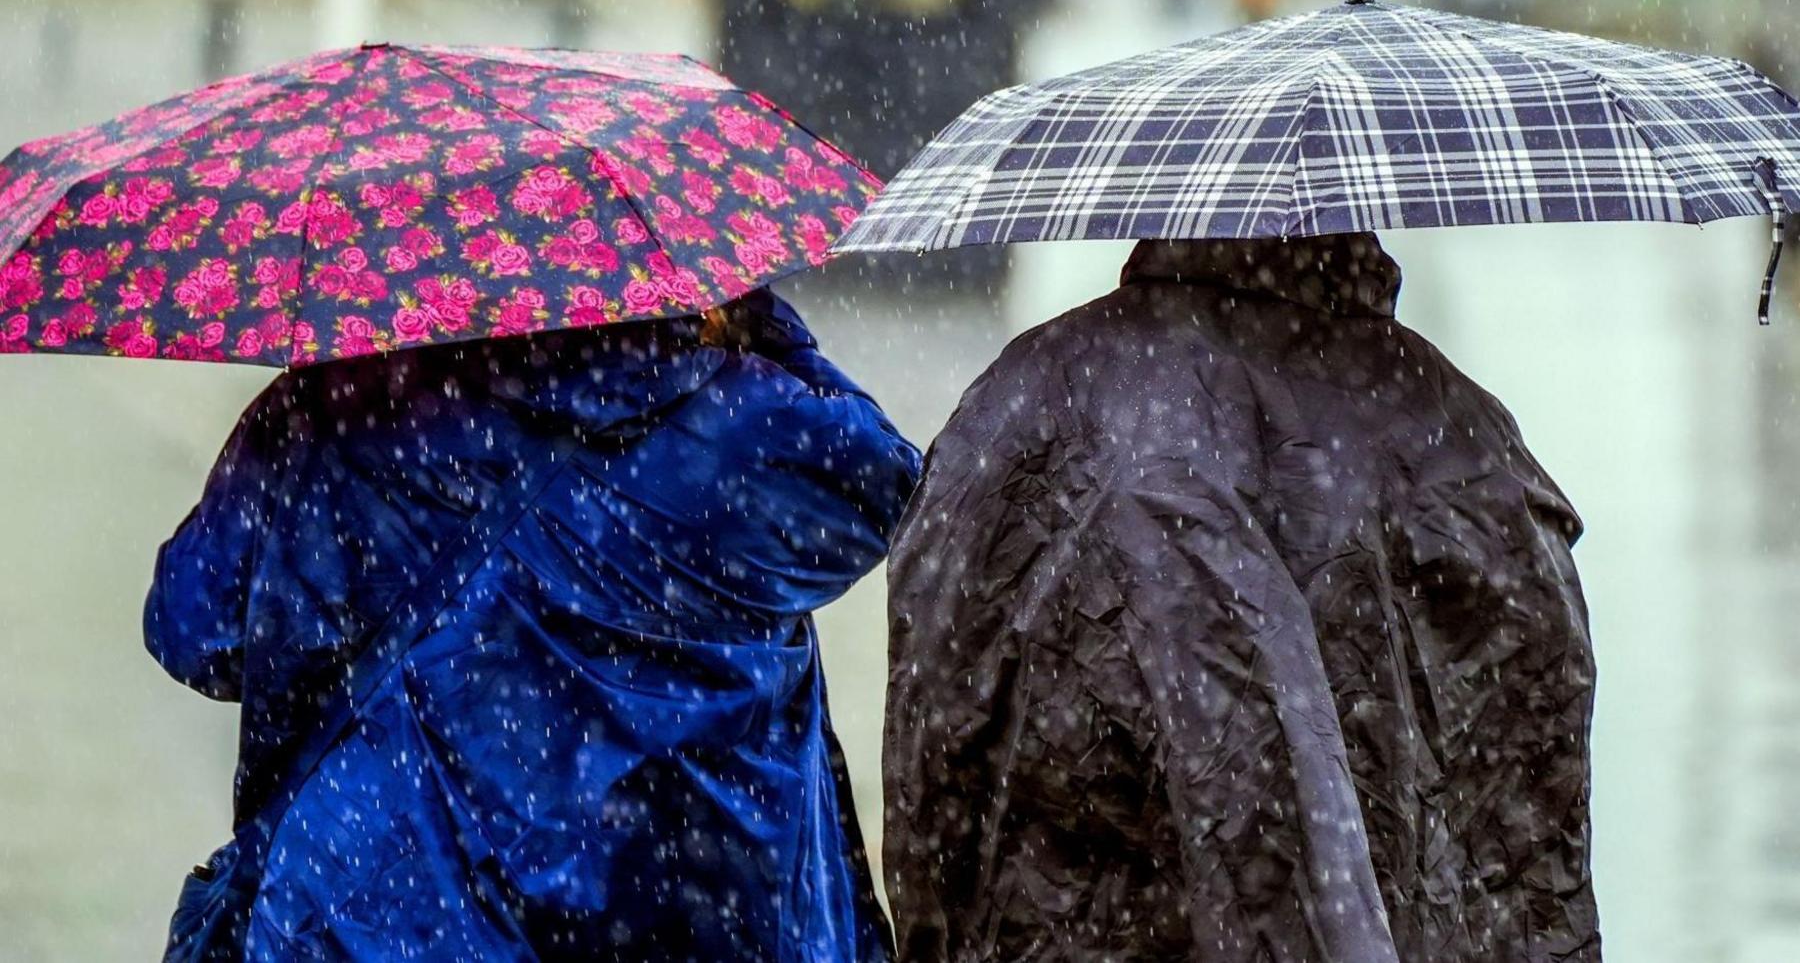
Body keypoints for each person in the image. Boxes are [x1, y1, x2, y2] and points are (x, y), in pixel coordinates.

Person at [883, 235, 1600, 962]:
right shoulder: (1456, 418)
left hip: (1083, 917)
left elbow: (937, 709)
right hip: (1411, 914)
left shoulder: (1037, 390)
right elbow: (1538, 731)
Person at [146, 290, 919, 962]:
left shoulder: (341, 401)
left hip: (378, 905)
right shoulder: (751, 422)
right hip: (692, 900)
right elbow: (893, 489)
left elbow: (197, 633)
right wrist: (767, 326)